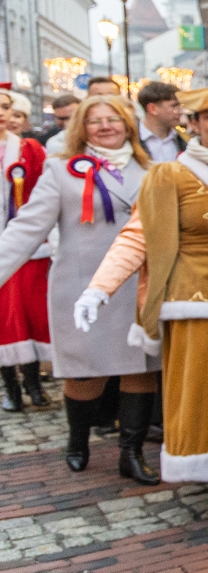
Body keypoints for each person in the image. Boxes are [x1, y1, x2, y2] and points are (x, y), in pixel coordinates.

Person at [76, 80, 208, 527]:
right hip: (199, 305)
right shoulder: (169, 175)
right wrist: (99, 288)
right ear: (194, 124)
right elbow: (139, 236)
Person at [0, 96, 160, 479]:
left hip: (138, 286)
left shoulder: (155, 170)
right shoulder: (61, 170)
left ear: (128, 124)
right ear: (80, 129)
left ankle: (131, 453)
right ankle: (78, 440)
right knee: (85, 373)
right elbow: (26, 229)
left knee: (140, 369)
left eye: (113, 119)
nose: (105, 126)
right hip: (81, 285)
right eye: (95, 121)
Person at [0, 86, 51, 411]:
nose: (1, 112)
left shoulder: (28, 149)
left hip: (28, 247)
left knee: (30, 315)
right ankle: (11, 389)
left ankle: (33, 383)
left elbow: (47, 191)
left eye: (5, 106)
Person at [136, 82, 188, 162]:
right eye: (174, 106)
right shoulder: (131, 140)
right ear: (152, 109)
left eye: (180, 106)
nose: (180, 112)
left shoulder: (184, 139)